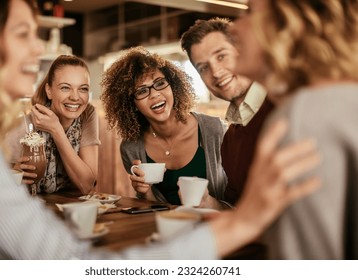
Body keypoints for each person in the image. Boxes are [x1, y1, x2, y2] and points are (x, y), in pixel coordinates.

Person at [0, 0, 320, 260]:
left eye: (159, 84)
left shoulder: (225, 129)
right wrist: (243, 221)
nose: (36, 47)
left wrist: (235, 217)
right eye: (23, 33)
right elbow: (76, 262)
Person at [231, 0, 358, 259]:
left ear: (289, 24)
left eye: (248, 12)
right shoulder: (341, 101)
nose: (234, 28)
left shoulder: (303, 114)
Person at [100, 46, 228, 209]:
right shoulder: (131, 148)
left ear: (173, 85)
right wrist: (145, 193)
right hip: (167, 229)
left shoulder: (214, 130)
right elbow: (156, 210)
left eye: (160, 83)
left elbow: (241, 205)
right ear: (131, 104)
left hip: (218, 229)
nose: (154, 94)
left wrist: (209, 203)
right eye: (141, 91)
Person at [181, 17, 275, 206]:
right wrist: (211, 204)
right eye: (204, 67)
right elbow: (240, 209)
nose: (215, 72)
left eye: (221, 56)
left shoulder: (283, 109)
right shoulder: (231, 137)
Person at [6, 54, 100, 195]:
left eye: (83, 89)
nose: (75, 97)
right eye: (65, 88)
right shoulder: (26, 125)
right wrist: (12, 172)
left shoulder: (87, 114)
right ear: (49, 91)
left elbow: (87, 184)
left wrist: (56, 131)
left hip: (71, 208)